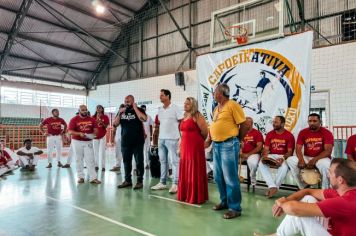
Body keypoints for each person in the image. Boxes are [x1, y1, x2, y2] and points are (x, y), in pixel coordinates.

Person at [256, 158, 356, 236]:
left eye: (330, 173)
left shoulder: (345, 202)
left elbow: (292, 208)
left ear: (340, 180)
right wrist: (287, 199)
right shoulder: (342, 192)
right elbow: (307, 191)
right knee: (308, 199)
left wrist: (281, 203)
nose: (328, 175)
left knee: (301, 215)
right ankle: (278, 235)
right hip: (333, 231)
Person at [205, 83, 248, 219]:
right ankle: (224, 201)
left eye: (215, 91)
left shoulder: (232, 105)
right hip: (217, 145)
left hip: (229, 144)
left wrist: (238, 139)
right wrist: (210, 140)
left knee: (230, 177)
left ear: (221, 93)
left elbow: (245, 123)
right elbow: (215, 126)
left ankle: (235, 208)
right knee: (218, 176)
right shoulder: (217, 108)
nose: (213, 94)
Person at [287, 113, 333, 189]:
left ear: (320, 121)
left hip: (321, 158)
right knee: (290, 160)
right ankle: (303, 186)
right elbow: (298, 148)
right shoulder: (303, 132)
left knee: (325, 165)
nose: (312, 123)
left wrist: (314, 160)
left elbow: (328, 151)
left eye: (315, 121)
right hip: (307, 157)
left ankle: (325, 189)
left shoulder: (327, 133)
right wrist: (301, 160)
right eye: (310, 121)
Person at [151, 89, 184, 194]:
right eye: (160, 95)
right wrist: (155, 141)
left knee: (174, 162)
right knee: (163, 161)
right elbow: (159, 125)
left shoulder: (176, 108)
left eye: (162, 95)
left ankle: (175, 184)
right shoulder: (160, 109)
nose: (160, 97)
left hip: (173, 139)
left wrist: (181, 138)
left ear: (168, 96)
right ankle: (162, 182)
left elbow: (181, 123)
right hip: (161, 139)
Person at [177, 97, 209, 204]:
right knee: (186, 168)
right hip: (185, 146)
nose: (185, 105)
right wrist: (180, 146)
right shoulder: (185, 116)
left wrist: (198, 142)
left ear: (193, 105)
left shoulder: (197, 115)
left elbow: (205, 132)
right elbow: (182, 134)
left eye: (188, 104)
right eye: (184, 103)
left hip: (195, 146)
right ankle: (186, 194)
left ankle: (196, 196)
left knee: (194, 169)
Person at [113, 95, 147, 190]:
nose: (126, 103)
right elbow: (115, 124)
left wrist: (135, 108)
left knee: (139, 162)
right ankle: (128, 180)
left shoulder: (139, 109)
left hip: (138, 141)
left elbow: (143, 119)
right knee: (126, 162)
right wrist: (119, 113)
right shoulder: (122, 111)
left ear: (133, 101)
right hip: (125, 142)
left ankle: (140, 181)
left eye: (128, 101)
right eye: (125, 101)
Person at [258, 116, 295, 198]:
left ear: (282, 124)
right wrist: (264, 157)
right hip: (272, 155)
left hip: (284, 156)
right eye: (273, 122)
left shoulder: (289, 135)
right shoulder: (270, 134)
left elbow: (290, 152)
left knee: (284, 167)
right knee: (261, 163)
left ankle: (274, 187)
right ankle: (272, 186)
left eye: (276, 122)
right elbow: (266, 149)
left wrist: (282, 158)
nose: (273, 124)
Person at [68, 105, 101, 184]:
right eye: (83, 110)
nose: (85, 111)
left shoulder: (92, 119)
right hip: (77, 141)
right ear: (79, 111)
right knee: (79, 159)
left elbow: (96, 130)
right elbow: (70, 131)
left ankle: (93, 178)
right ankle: (81, 177)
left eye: (86, 110)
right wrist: (79, 133)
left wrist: (94, 134)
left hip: (88, 141)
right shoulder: (74, 119)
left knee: (90, 159)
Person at [240, 117, 263, 189]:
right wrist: (240, 153)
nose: (244, 125)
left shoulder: (257, 133)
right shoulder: (239, 132)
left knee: (252, 162)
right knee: (229, 161)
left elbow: (259, 147)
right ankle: (233, 178)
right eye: (244, 123)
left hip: (253, 154)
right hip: (241, 154)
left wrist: (247, 154)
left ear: (251, 124)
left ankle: (252, 177)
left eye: (246, 123)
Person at [92, 105, 109, 171]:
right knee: (95, 152)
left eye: (100, 108)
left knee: (102, 152)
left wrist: (101, 122)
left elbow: (106, 126)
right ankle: (96, 165)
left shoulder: (105, 117)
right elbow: (91, 127)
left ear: (102, 109)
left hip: (102, 136)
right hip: (95, 137)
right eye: (97, 108)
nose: (98, 109)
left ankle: (103, 166)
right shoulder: (93, 117)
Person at [110, 104, 124, 172]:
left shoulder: (128, 116)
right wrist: (112, 139)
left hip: (126, 137)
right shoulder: (117, 116)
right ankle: (118, 165)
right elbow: (114, 127)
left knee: (128, 153)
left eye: (123, 108)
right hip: (118, 137)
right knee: (117, 152)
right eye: (120, 108)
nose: (121, 110)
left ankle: (134, 168)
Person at [140, 105, 154, 169]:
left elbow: (151, 126)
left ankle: (147, 164)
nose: (143, 110)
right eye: (142, 109)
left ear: (145, 109)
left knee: (147, 150)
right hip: (139, 136)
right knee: (140, 151)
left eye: (144, 109)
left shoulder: (149, 117)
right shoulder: (138, 116)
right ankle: (140, 164)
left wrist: (151, 135)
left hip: (147, 136)